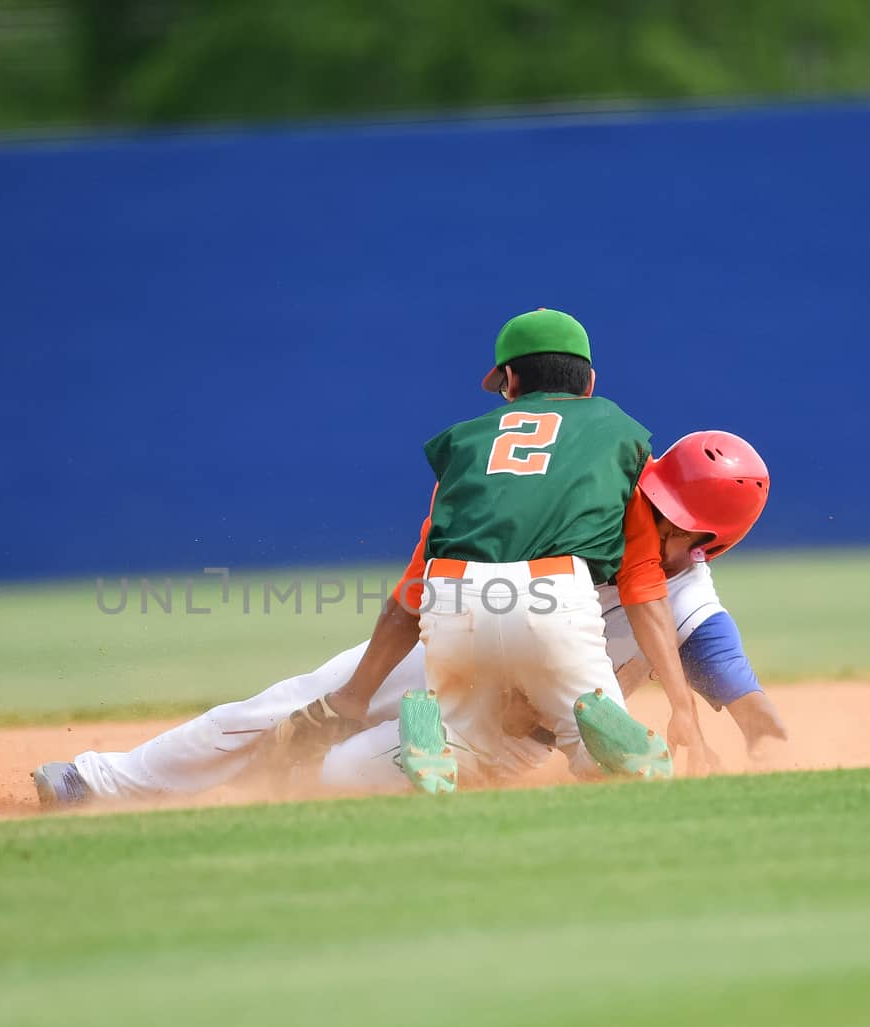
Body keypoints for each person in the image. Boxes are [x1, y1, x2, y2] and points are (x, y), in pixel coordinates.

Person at [33, 430, 781, 809]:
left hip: (499, 733)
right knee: (291, 705)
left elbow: (733, 679)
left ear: (710, 543)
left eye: (670, 519)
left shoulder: (689, 603)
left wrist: (760, 733)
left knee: (337, 775)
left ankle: (329, 773)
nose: (647, 517)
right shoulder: (583, 513)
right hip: (448, 651)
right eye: (650, 498)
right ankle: (98, 782)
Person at [274, 307, 700, 794]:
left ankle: (443, 740)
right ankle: (599, 741)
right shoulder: (621, 435)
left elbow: (412, 593)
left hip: (453, 594)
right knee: (588, 751)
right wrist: (681, 706)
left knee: (459, 748)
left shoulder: (467, 447)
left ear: (512, 381)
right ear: (590, 382)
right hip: (556, 594)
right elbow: (642, 583)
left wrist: (355, 696)